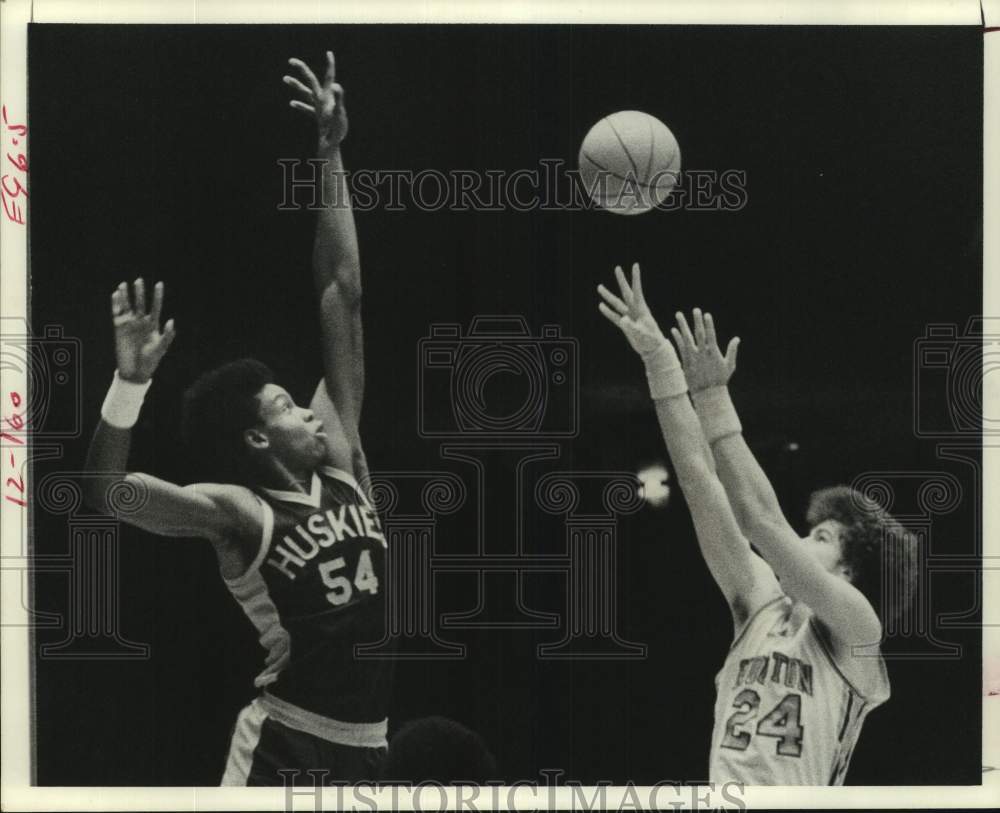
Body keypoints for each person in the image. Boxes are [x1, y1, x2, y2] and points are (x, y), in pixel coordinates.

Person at [82, 51, 394, 785]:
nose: (310, 412)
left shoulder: (343, 461)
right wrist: (129, 383)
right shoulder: (241, 513)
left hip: (375, 743)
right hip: (287, 746)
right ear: (257, 438)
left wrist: (332, 150)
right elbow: (110, 493)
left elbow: (341, 291)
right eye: (287, 405)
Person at [598, 264, 917, 785]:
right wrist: (660, 363)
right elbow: (701, 483)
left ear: (851, 572)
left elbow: (760, 519)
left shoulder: (858, 631)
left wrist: (714, 398)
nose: (798, 537)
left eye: (821, 537)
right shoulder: (759, 604)